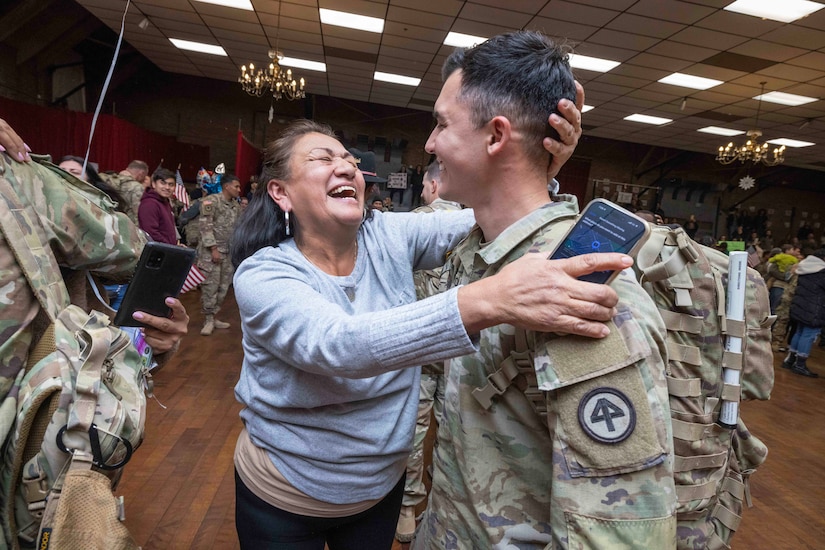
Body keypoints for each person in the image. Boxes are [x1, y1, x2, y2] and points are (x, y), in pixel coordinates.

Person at [228, 101, 630, 548]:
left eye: (350, 161)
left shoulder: (388, 235)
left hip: (378, 491)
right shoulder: (264, 274)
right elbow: (337, 345)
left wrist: (536, 167)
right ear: (281, 193)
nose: (346, 168)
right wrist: (489, 299)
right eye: (324, 160)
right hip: (286, 494)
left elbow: (492, 218)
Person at [413, 31, 676, 549]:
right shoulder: (478, 252)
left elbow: (618, 534)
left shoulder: (577, 290)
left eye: (442, 124)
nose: (430, 143)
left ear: (495, 137)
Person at [396, 160, 462, 542]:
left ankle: (407, 505)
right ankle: (441, 503)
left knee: (413, 430)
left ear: (436, 185)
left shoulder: (417, 221)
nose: (423, 191)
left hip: (420, 348)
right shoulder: (484, 224)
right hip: (460, 351)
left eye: (424, 184)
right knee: (455, 430)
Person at [198, 174, 242, 335]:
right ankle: (208, 319)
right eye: (236, 186)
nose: (239, 190)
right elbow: (205, 227)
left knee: (223, 287)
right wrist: (213, 249)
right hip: (211, 254)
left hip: (228, 253)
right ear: (226, 186)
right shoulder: (211, 201)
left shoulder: (235, 206)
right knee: (210, 286)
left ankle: (214, 316)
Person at [783, 248, 825, 377]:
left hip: (800, 306)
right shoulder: (821, 272)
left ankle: (790, 359)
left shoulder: (805, 268)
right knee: (808, 334)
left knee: (799, 332)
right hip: (814, 308)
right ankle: (800, 364)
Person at [100, 160, 150, 225]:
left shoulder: (109, 180)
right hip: (126, 226)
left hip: (106, 223)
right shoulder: (137, 187)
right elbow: (138, 214)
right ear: (141, 173)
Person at [139, 168, 178, 245]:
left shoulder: (165, 202)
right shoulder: (149, 204)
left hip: (166, 249)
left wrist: (175, 245)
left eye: (171, 184)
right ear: (153, 184)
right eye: (163, 183)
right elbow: (150, 233)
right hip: (157, 252)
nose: (167, 187)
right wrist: (172, 248)